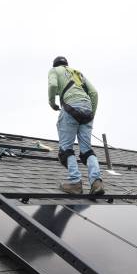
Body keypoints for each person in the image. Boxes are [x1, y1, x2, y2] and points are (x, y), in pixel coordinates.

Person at [48, 56, 103, 195]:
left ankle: (75, 183)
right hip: (87, 108)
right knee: (86, 151)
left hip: (70, 107)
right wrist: (92, 114)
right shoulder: (78, 73)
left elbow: (53, 85)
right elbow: (94, 93)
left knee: (66, 149)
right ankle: (96, 183)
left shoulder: (54, 70)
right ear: (67, 64)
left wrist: (52, 102)